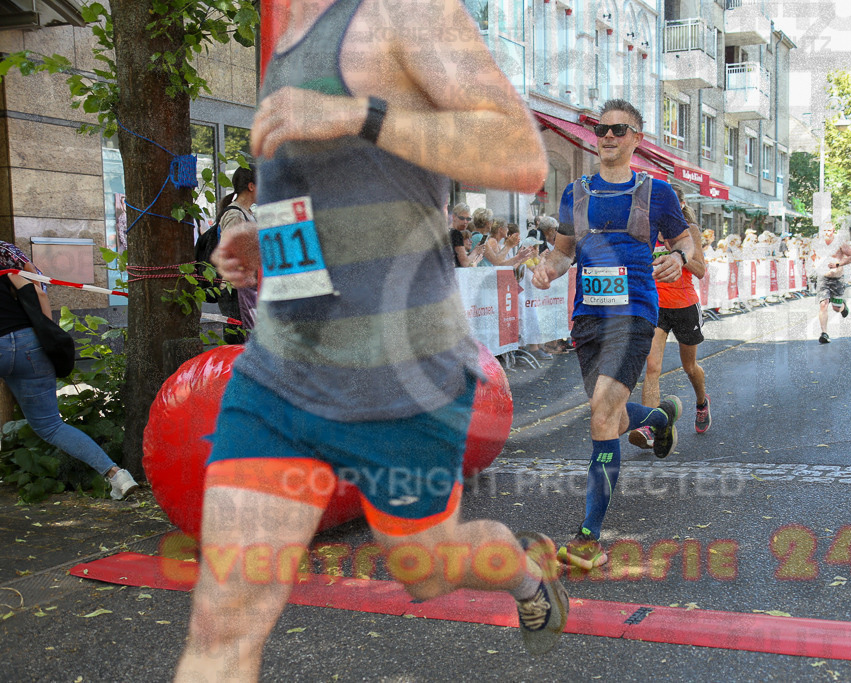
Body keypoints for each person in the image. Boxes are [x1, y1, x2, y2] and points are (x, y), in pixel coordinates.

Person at [175, 1, 568, 678]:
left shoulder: (403, 10)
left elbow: (520, 154)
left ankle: (527, 576)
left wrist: (360, 114)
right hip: (279, 377)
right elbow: (342, 194)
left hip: (401, 379)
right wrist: (267, 238)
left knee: (427, 568)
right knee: (222, 621)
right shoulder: (285, 31)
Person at [531, 99, 693, 570]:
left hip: (635, 314)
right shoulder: (575, 192)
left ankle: (587, 540)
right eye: (602, 129)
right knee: (614, 418)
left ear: (636, 139)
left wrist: (678, 258)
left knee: (602, 418)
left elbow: (683, 241)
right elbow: (562, 254)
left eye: (619, 130)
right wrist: (546, 270)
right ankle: (660, 420)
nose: (608, 137)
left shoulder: (656, 191)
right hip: (588, 318)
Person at [0, 242, 137, 500]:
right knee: (51, 426)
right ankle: (117, 475)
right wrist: (47, 333)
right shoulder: (6, 252)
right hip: (30, 343)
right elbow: (39, 288)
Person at [629, 194, 710, 452]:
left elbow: (700, 270)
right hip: (657, 306)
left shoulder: (690, 232)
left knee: (689, 367)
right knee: (652, 366)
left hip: (685, 306)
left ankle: (701, 402)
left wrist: (679, 256)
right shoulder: (649, 231)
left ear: (681, 205)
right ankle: (650, 426)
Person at [216, 166, 259, 338]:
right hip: (235, 291)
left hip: (246, 289)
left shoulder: (248, 214)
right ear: (251, 186)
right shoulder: (235, 215)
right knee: (239, 342)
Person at [813, 223, 851, 344]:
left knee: (836, 308)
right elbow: (813, 256)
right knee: (823, 304)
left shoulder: (840, 243)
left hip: (837, 278)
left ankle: (843, 307)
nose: (827, 232)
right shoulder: (818, 242)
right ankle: (824, 333)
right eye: (825, 230)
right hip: (823, 277)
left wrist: (838, 264)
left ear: (833, 230)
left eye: (829, 230)